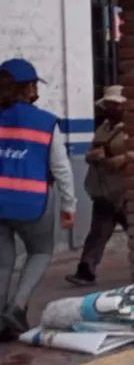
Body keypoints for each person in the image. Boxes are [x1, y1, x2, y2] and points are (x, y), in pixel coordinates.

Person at [0, 58, 75, 338]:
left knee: (2, 262)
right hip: (33, 202)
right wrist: (69, 204)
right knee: (41, 252)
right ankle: (16, 308)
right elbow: (61, 168)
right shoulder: (45, 122)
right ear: (30, 87)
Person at [66, 85, 130, 287]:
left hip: (125, 191)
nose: (112, 108)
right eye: (109, 104)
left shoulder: (133, 128)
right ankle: (85, 271)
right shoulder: (104, 127)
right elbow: (90, 152)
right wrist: (91, 156)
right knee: (97, 233)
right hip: (103, 188)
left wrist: (123, 158)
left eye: (115, 104)